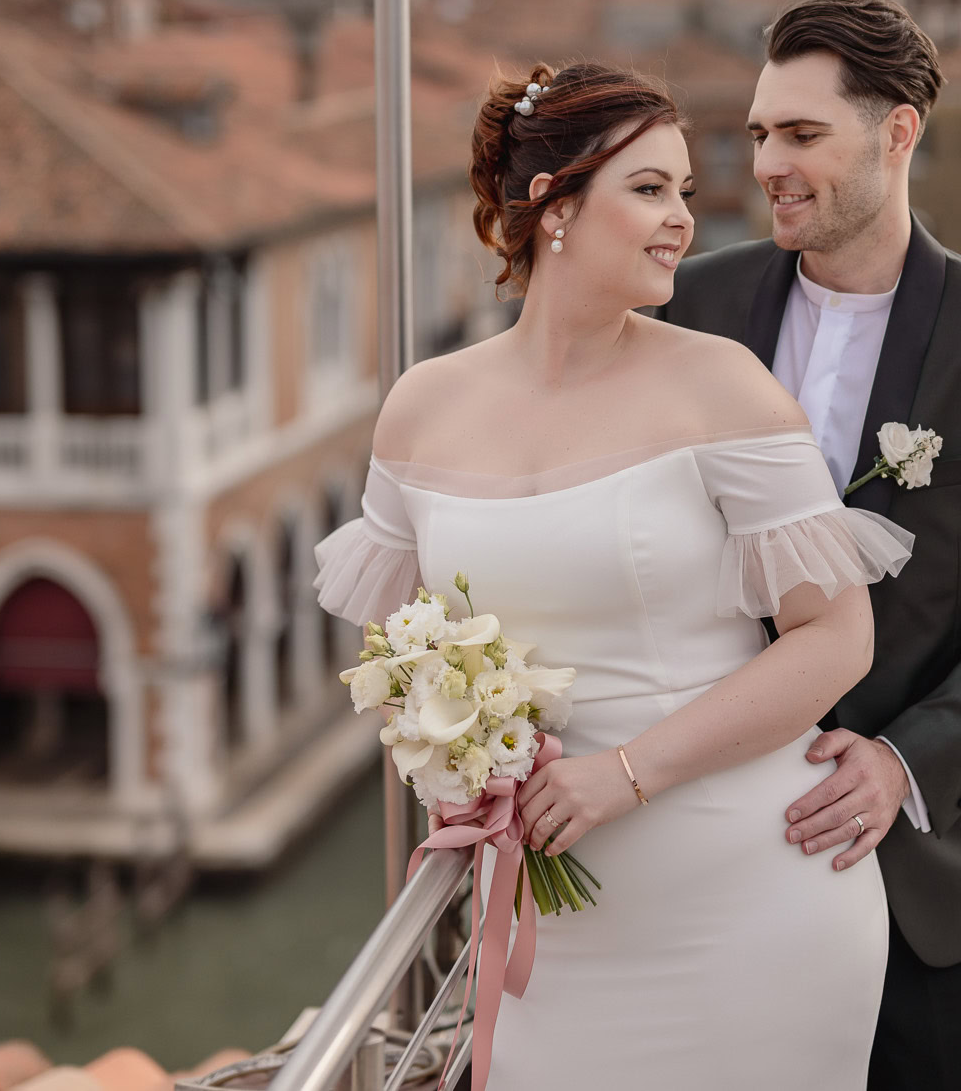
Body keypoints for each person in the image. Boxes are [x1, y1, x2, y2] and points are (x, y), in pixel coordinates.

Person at [312, 62, 912, 1090]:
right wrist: (458, 763)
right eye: (647, 190)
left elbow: (834, 636)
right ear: (551, 205)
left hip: (751, 899)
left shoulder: (719, 384)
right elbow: (401, 657)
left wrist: (624, 774)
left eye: (681, 191)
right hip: (556, 924)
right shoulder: (422, 406)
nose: (682, 218)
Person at [661, 0, 961, 1091]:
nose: (769, 160)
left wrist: (901, 762)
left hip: (930, 881)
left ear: (896, 132)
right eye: (760, 132)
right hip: (709, 861)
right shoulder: (688, 310)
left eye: (803, 134)